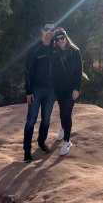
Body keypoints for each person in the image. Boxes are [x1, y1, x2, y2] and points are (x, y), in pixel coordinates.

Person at [23, 23, 56, 163]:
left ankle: (41, 142)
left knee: (46, 119)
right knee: (31, 120)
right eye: (47, 29)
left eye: (52, 30)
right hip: (36, 90)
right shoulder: (34, 50)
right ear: (41, 31)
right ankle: (27, 151)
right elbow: (28, 71)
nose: (49, 32)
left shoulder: (56, 48)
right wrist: (28, 91)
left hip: (51, 91)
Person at [51, 27, 83, 156]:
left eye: (62, 38)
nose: (60, 41)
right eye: (57, 39)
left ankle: (67, 141)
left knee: (67, 113)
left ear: (66, 37)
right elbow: (53, 71)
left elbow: (79, 72)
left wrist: (77, 89)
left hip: (71, 89)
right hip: (59, 88)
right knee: (62, 110)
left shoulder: (75, 51)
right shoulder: (54, 52)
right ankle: (63, 128)